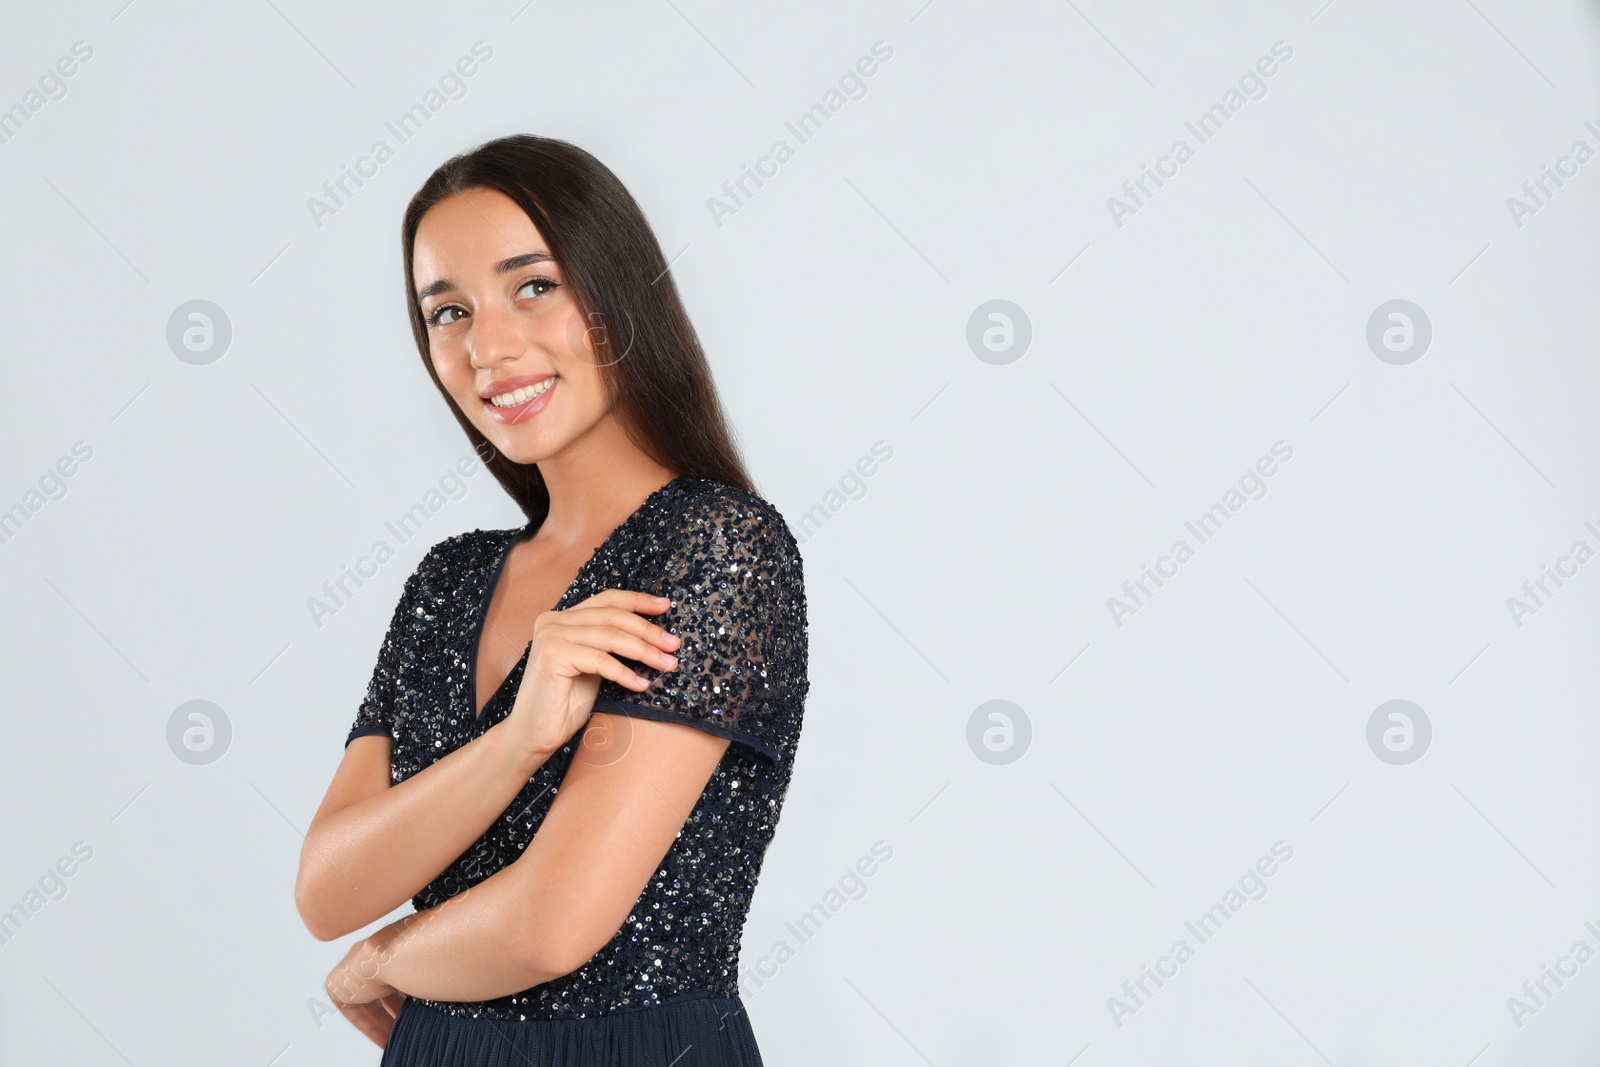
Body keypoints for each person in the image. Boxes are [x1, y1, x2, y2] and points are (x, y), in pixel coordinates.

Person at [293, 134, 809, 1067]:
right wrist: (518, 738)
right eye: (447, 311)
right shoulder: (447, 580)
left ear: (615, 294)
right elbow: (326, 886)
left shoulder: (718, 547)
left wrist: (383, 959)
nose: (488, 347)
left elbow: (551, 924)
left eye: (534, 286)